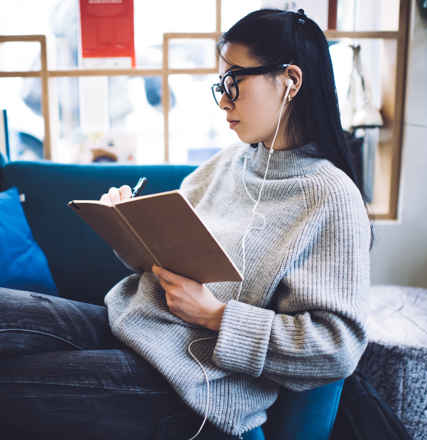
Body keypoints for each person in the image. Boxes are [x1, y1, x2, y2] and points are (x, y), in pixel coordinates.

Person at [0, 8, 373, 440]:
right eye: (220, 85)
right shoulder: (228, 163)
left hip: (195, 384)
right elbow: (166, 258)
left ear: (290, 80)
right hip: (134, 328)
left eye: (234, 81)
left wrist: (217, 316)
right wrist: (128, 226)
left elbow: (336, 348)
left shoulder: (332, 198)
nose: (224, 101)